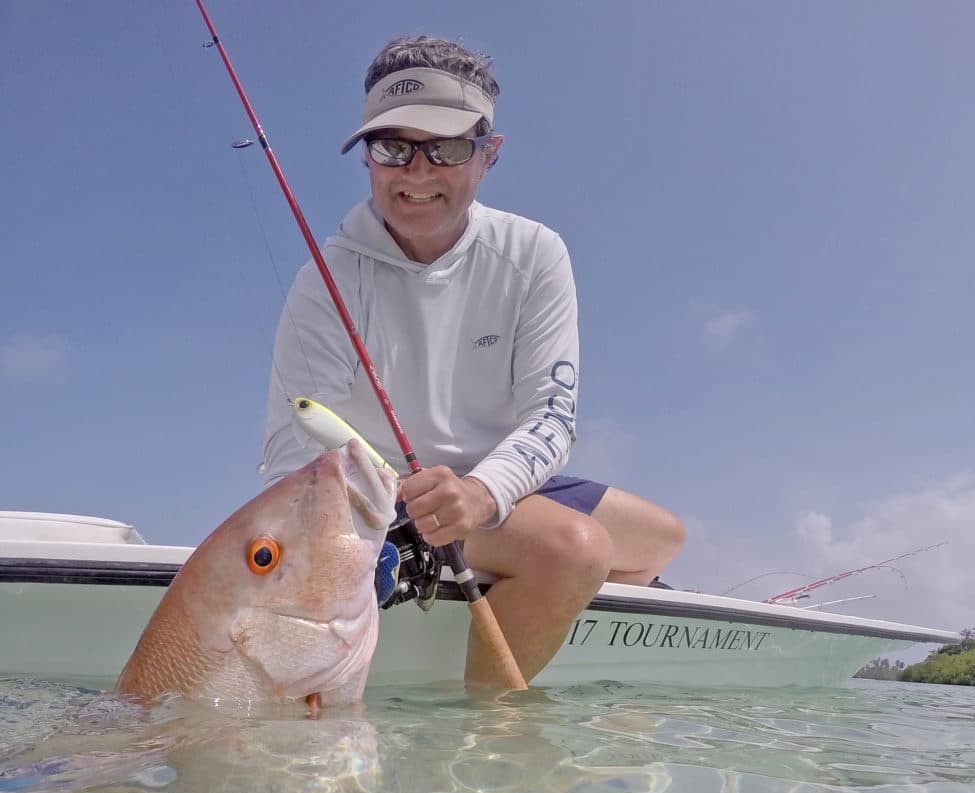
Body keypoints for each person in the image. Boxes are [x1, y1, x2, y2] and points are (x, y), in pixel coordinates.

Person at [262, 36, 685, 685]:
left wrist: (484, 492)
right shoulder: (326, 280)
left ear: (489, 153)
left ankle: (526, 610)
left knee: (662, 539)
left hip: (492, 484)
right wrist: (386, 511)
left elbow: (552, 414)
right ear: (367, 155)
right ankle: (486, 740)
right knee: (577, 548)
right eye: (393, 147)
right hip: (382, 500)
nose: (418, 172)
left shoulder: (535, 253)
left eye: (448, 147)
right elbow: (296, 447)